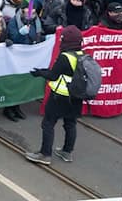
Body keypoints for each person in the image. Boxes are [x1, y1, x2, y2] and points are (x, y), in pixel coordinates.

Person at [25, 26, 84, 166]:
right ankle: (67, 152)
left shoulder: (65, 57)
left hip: (60, 96)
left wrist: (39, 73)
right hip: (76, 96)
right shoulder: (82, 54)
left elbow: (53, 75)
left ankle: (45, 154)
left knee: (48, 123)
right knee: (70, 123)